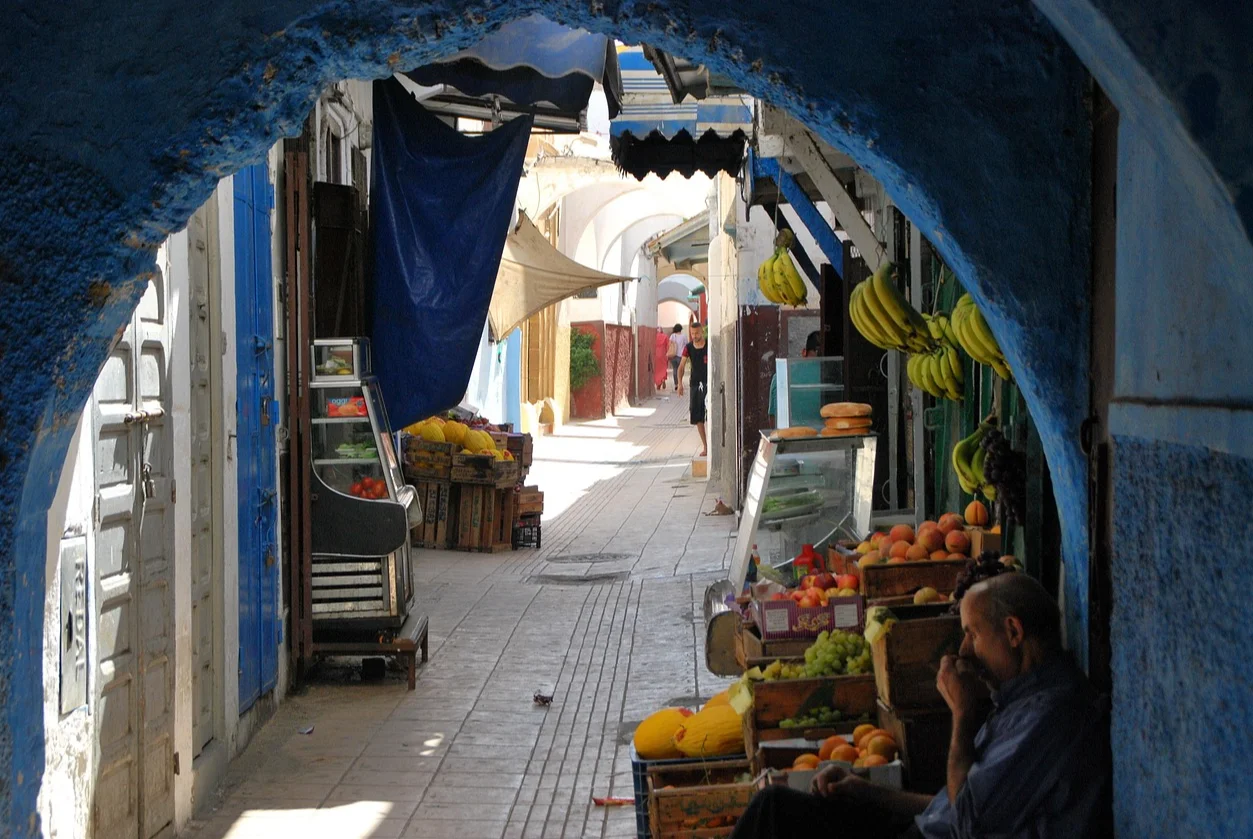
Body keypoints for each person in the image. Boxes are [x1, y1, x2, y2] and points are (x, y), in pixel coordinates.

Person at [730, 573, 1109, 839]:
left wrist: (962, 715)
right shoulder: (1022, 700)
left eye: (972, 634)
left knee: (774, 815)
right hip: (923, 830)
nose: (963, 651)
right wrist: (863, 791)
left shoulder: (1050, 715)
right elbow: (948, 806)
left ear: (1013, 632)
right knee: (776, 809)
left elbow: (968, 820)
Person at [767, 331, 821, 429]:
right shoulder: (834, 377)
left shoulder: (781, 376)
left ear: (804, 352)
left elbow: (772, 417)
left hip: (789, 440)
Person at [677, 322, 708, 457]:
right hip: (695, 384)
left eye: (697, 333)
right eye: (692, 333)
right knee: (697, 416)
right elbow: (681, 366)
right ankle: (705, 446)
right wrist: (679, 383)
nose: (694, 336)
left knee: (710, 414)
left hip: (708, 383)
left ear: (702, 332)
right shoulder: (688, 348)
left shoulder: (709, 345)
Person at [667, 323, 688, 391]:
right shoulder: (684, 336)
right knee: (681, 369)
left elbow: (669, 344)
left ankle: (676, 384)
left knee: (675, 369)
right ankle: (680, 383)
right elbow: (686, 345)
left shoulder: (673, 336)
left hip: (673, 355)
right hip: (681, 355)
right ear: (681, 329)